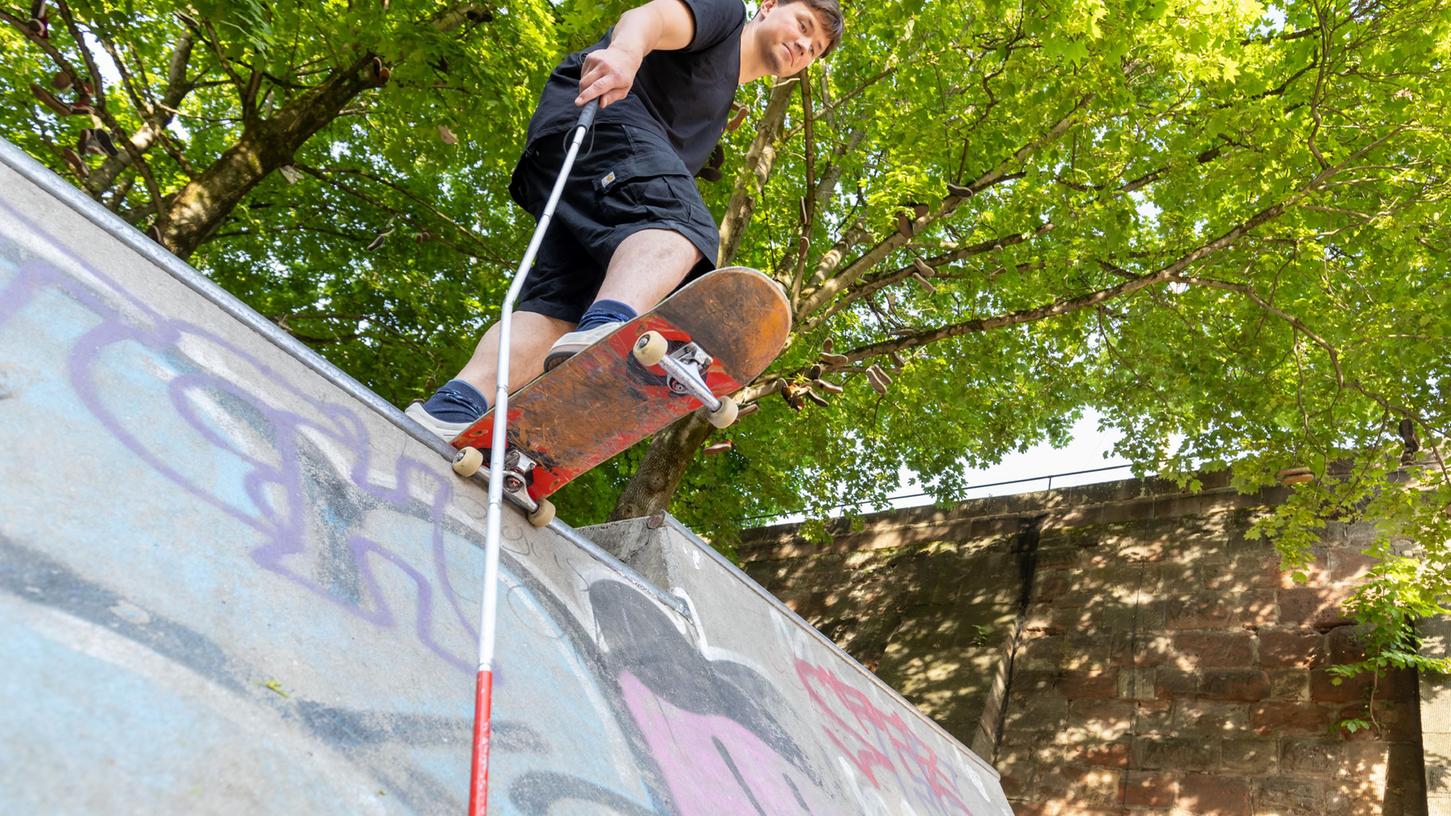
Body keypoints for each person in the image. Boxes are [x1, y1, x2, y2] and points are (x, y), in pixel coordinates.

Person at [405, 0, 843, 439]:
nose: (804, 46)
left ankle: (454, 407)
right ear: (768, 6)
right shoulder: (725, 16)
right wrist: (626, 55)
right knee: (682, 225)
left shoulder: (720, 101)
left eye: (816, 49)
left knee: (563, 306)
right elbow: (648, 17)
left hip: (590, 175)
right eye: (803, 26)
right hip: (599, 117)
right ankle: (609, 328)